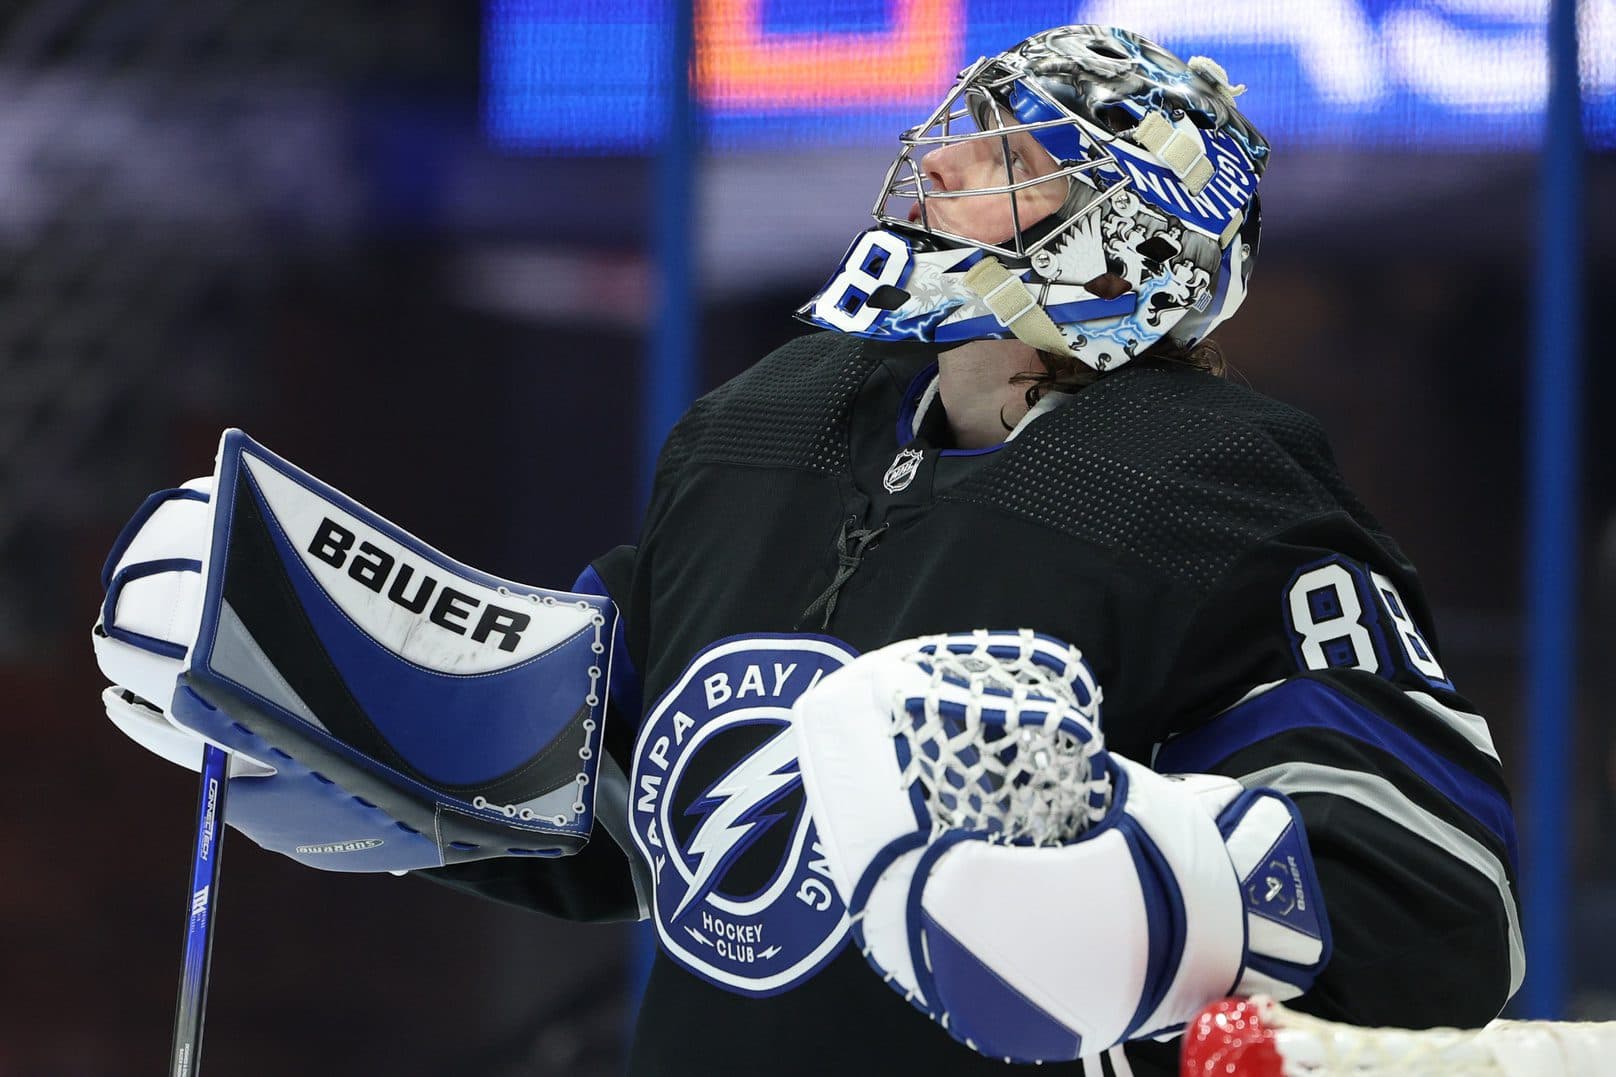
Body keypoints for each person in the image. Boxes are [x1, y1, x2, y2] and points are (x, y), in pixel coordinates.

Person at [97, 25, 1521, 1077]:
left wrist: (1142, 892)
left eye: (1010, 157)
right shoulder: (769, 424)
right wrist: (347, 700)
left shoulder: (1219, 483)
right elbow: (607, 790)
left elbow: (1441, 898)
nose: (941, 162)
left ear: (1128, 240)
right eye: (957, 130)